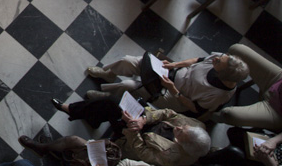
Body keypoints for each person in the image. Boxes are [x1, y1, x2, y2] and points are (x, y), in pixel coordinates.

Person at [22, 108, 210, 166]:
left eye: (179, 133)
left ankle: (43, 148)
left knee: (74, 140)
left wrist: (133, 131)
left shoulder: (173, 157)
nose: (178, 127)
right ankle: (81, 110)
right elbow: (169, 113)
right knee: (111, 104)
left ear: (182, 144)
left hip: (126, 145)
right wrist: (144, 119)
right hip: (140, 123)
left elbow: (141, 153)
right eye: (182, 127)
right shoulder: (196, 126)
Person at [84, 53, 249, 117]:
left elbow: (196, 109)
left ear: (222, 74)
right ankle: (109, 74)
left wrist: (173, 90)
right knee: (127, 61)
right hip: (171, 74)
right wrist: (174, 65)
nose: (217, 58)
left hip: (176, 96)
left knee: (129, 87)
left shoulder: (219, 94)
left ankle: (108, 97)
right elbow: (196, 60)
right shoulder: (219, 58)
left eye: (219, 62)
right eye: (221, 56)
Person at [213, 44, 282, 130]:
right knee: (237, 49)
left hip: (276, 111)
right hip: (278, 81)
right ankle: (217, 69)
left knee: (228, 114)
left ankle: (210, 116)